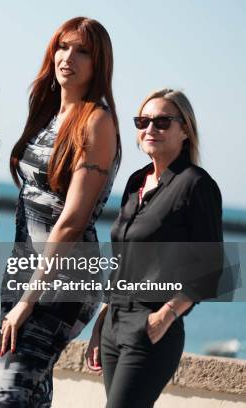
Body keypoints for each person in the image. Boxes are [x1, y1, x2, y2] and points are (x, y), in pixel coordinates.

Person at [0, 17, 120, 407]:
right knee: (32, 394)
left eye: (82, 51)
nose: (68, 57)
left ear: (99, 63)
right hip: (25, 271)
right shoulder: (47, 115)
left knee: (1, 396)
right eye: (63, 47)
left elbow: (72, 221)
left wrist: (28, 299)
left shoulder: (97, 121)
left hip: (66, 279)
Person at [85, 89, 223, 408]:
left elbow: (212, 270)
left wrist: (165, 315)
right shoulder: (136, 182)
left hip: (151, 328)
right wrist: (101, 322)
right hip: (114, 325)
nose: (150, 129)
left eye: (162, 122)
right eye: (143, 121)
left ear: (185, 129)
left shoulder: (196, 185)